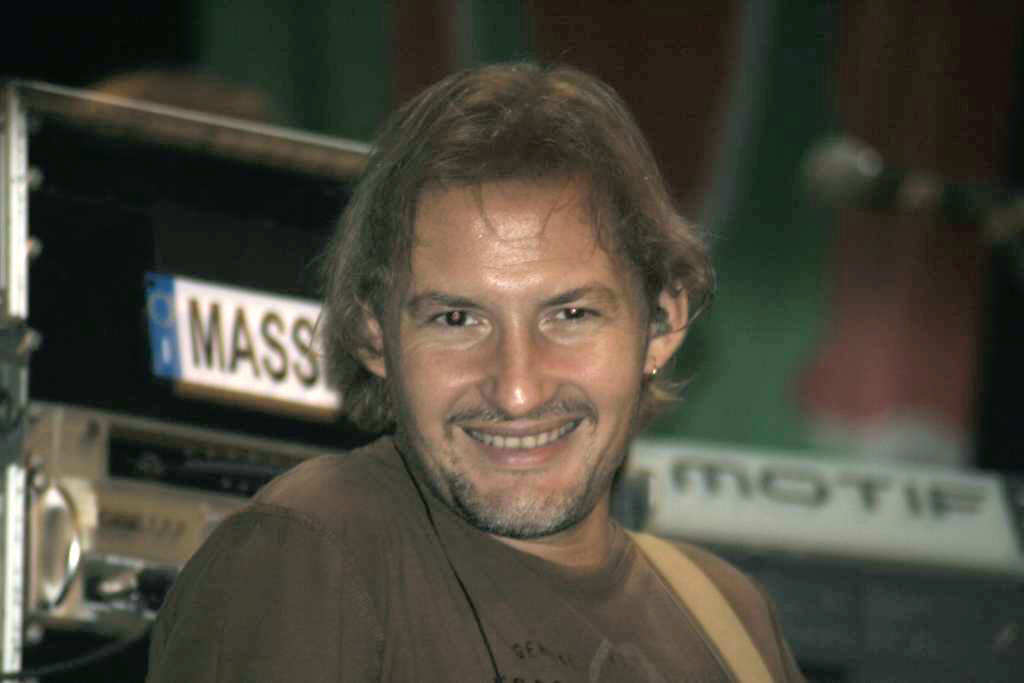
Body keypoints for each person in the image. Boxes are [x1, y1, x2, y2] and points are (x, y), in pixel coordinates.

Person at [146, 62, 805, 682]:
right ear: (374, 334)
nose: (517, 390)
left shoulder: (730, 619)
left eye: (570, 314)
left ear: (662, 324)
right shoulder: (310, 553)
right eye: (457, 319)